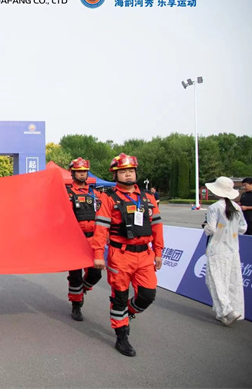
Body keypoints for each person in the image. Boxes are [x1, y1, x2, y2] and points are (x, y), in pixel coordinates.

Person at [89, 153, 164, 357]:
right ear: (115, 175)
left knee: (148, 295)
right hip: (120, 255)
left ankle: (128, 312)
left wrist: (158, 251)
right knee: (119, 297)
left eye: (131, 171)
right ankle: (121, 336)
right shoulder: (108, 198)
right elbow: (101, 229)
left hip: (145, 255)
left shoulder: (148, 198)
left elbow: (157, 227)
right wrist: (98, 254)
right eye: (123, 171)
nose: (128, 175)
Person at [203, 176, 247, 325]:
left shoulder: (214, 207)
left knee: (214, 281)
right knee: (230, 280)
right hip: (233, 249)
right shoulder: (237, 207)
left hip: (217, 248)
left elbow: (211, 229)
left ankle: (227, 310)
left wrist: (205, 227)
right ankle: (226, 311)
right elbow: (243, 228)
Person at [65, 157, 103, 321]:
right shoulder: (66, 193)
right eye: (79, 171)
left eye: (84, 172)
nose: (82, 174)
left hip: (93, 239)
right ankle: (76, 305)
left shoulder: (96, 194)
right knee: (75, 276)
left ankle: (82, 290)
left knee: (96, 274)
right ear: (72, 173)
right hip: (74, 241)